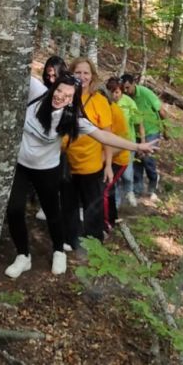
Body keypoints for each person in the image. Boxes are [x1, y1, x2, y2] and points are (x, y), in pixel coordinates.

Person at [5, 72, 158, 278]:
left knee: (52, 212)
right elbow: (18, 70)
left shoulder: (73, 118)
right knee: (14, 209)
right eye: (59, 90)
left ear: (73, 100)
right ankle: (23, 255)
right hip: (21, 166)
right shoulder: (37, 94)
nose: (60, 96)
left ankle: (59, 250)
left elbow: (104, 135)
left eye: (68, 95)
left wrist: (137, 145)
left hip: (47, 169)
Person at [62, 57, 114, 251]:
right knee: (69, 204)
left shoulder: (99, 101)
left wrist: (108, 165)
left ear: (92, 77)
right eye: (78, 72)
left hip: (91, 164)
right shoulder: (65, 96)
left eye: (86, 73)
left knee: (93, 206)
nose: (82, 77)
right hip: (67, 161)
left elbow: (107, 135)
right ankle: (72, 238)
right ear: (71, 74)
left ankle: (93, 243)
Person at [120, 73, 167, 201]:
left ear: (134, 84)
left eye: (128, 87)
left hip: (151, 130)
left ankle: (153, 183)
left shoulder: (146, 93)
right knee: (137, 161)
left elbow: (161, 111)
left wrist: (165, 129)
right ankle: (137, 189)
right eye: (123, 88)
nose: (126, 91)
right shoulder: (124, 98)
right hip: (135, 133)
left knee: (147, 159)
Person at [35, 55, 67, 223]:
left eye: (55, 75)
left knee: (57, 177)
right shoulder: (41, 91)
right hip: (39, 141)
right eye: (48, 75)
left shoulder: (67, 93)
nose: (51, 79)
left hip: (59, 144)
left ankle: (49, 207)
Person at [98, 85, 131, 232]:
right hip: (103, 156)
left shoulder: (114, 112)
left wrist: (105, 160)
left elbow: (122, 142)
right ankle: (112, 217)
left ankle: (106, 225)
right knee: (108, 189)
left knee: (104, 189)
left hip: (118, 158)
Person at [106, 76, 142, 208]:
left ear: (121, 91)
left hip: (128, 143)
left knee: (127, 174)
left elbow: (139, 122)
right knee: (113, 177)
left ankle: (129, 191)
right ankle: (116, 203)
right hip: (110, 144)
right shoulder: (106, 104)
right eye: (111, 92)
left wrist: (141, 141)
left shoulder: (129, 103)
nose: (114, 95)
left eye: (117, 92)